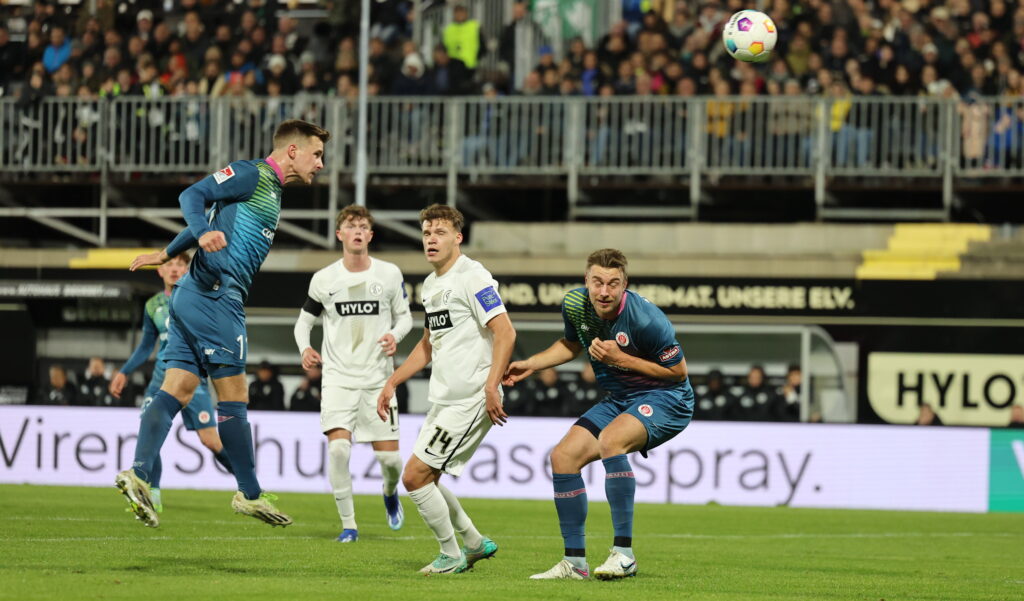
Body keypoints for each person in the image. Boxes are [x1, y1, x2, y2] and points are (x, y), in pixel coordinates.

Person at [116, 119, 330, 528]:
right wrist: (200, 233)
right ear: (293, 151)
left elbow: (210, 218)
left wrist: (167, 253)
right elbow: (192, 195)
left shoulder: (270, 189)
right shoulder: (253, 174)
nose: (320, 163)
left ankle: (139, 474)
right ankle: (249, 494)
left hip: (191, 296)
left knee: (177, 388)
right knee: (234, 398)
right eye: (316, 154)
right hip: (216, 295)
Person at [504, 248, 694, 580]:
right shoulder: (575, 304)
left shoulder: (646, 320)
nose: (604, 291)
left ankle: (624, 555)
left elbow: (679, 373)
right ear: (586, 281)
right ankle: (575, 563)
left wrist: (621, 359)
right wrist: (532, 364)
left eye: (613, 284)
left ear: (625, 285)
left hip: (668, 398)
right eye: (597, 282)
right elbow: (571, 344)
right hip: (619, 399)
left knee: (611, 440)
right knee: (563, 457)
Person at [375, 203, 516, 574]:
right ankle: (474, 543)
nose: (431, 240)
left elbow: (505, 332)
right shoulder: (431, 285)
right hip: (443, 399)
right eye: (426, 233)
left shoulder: (473, 276)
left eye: (439, 232)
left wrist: (491, 386)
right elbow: (427, 345)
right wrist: (392, 380)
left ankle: (451, 555)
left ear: (458, 237)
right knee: (429, 478)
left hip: (472, 398)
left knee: (414, 476)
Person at [293, 205, 413, 542]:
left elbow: (405, 317)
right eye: (351, 225)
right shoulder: (324, 279)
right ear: (340, 234)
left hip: (378, 381)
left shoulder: (389, 274)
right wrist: (305, 348)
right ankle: (349, 525)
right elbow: (304, 322)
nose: (357, 230)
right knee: (338, 451)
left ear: (370, 235)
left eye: (363, 226)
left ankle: (389, 492)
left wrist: (395, 335)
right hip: (338, 380)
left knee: (391, 461)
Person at [110, 252, 233, 513]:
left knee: (211, 441)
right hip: (160, 379)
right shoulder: (152, 305)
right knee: (151, 434)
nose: (175, 269)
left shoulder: (199, 298)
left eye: (180, 264)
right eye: (169, 264)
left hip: (191, 379)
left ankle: (249, 484)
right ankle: (152, 497)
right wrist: (124, 372)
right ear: (160, 270)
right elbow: (146, 346)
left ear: (188, 269)